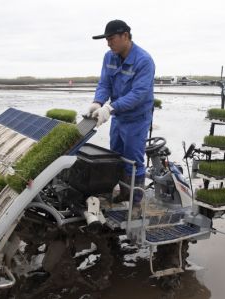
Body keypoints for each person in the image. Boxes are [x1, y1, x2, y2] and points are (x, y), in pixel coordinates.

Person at [87, 19, 155, 217]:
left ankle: (135, 202)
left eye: (111, 38)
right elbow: (105, 84)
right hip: (118, 116)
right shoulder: (110, 57)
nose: (108, 43)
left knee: (133, 159)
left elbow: (138, 94)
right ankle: (124, 193)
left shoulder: (143, 60)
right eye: (106, 39)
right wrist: (98, 102)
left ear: (125, 36)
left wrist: (111, 107)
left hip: (136, 117)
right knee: (115, 155)